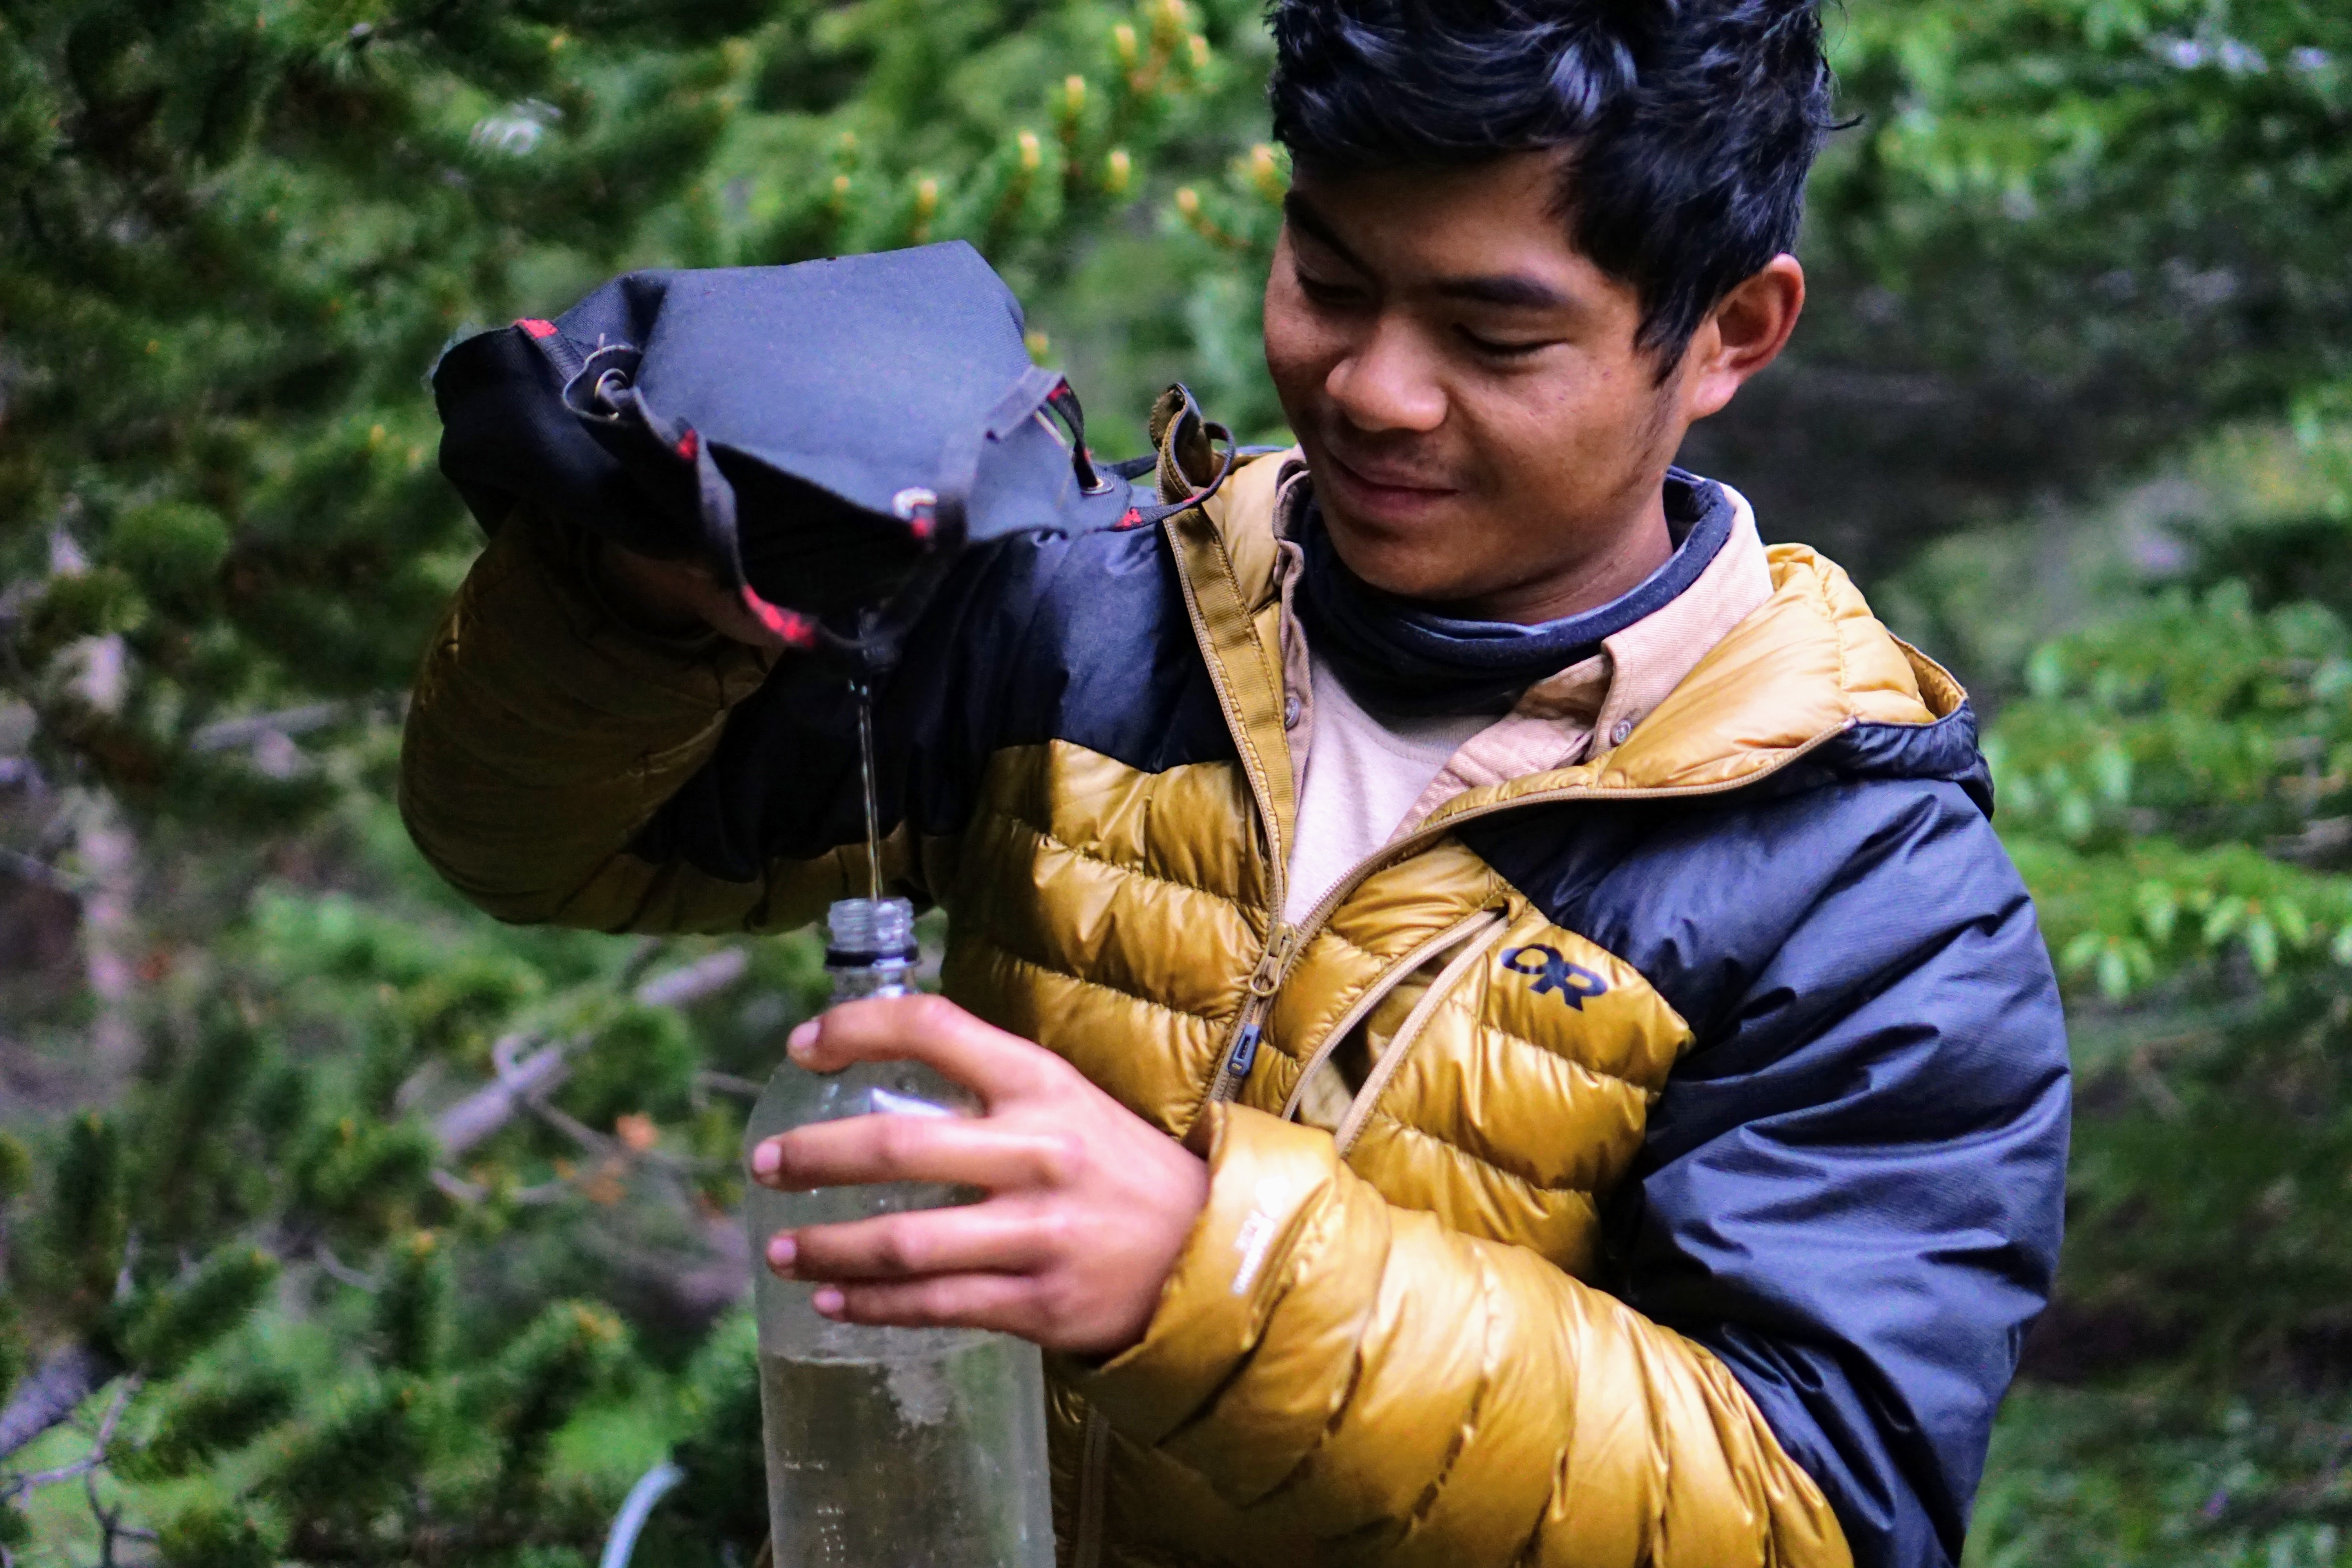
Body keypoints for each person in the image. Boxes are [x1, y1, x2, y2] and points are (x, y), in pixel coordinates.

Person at [399, 2, 2070, 1564]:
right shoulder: (1084, 610)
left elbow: (1818, 1510)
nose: (1370, 391)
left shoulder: (1863, 884)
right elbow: (551, 844)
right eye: (1330, 283)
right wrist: (656, 587)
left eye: (1496, 336)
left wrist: (1209, 1272)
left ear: (1730, 333)